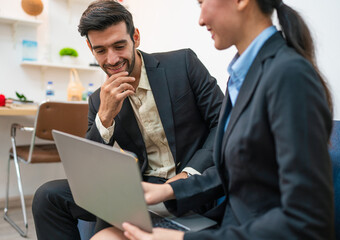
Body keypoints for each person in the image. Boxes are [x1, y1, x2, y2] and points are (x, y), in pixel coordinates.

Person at [91, 0, 336, 239]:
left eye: (201, 2)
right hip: (231, 222)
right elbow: (232, 171)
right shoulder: (243, 76)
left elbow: (307, 221)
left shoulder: (289, 75)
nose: (201, 19)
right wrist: (166, 190)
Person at [31, 0, 224, 239]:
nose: (111, 60)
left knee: (109, 212)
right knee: (47, 196)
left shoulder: (183, 64)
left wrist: (188, 174)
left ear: (136, 37)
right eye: (100, 50)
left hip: (191, 182)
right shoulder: (97, 100)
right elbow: (90, 171)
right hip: (140, 188)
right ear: (91, 49)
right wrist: (105, 116)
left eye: (119, 46)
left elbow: (223, 123)